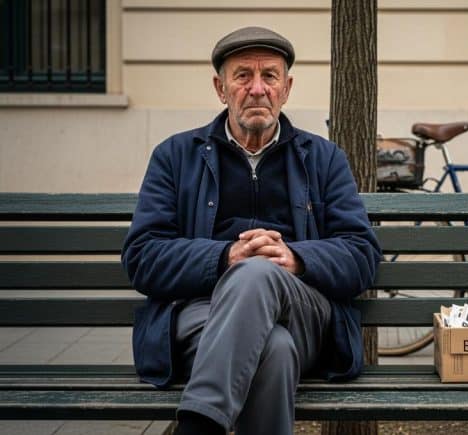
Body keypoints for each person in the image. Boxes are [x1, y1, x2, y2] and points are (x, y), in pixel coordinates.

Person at [121, 26, 381, 435]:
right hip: (199, 318)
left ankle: (199, 423)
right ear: (220, 87)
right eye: (243, 75)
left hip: (303, 312)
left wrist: (295, 259)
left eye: (269, 76)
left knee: (259, 273)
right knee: (273, 350)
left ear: (286, 87)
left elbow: (361, 253)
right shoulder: (174, 157)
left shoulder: (324, 158)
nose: (257, 88)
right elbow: (143, 257)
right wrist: (225, 257)